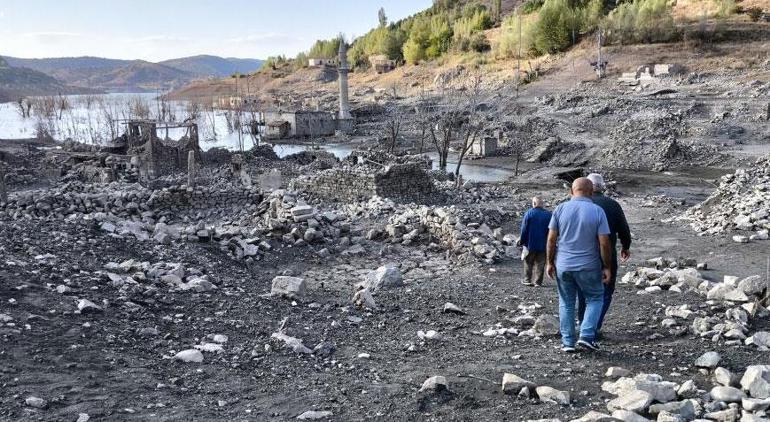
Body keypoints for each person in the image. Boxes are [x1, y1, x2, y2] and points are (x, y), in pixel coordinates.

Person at [546, 177, 612, 353]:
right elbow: (604, 243)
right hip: (589, 265)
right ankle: (586, 336)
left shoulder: (560, 209)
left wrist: (549, 262)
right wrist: (607, 266)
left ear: (571, 191)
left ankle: (567, 343)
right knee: (595, 298)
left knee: (566, 303)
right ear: (591, 192)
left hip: (564, 265)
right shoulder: (597, 211)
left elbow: (551, 239)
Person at [577, 173, 631, 338]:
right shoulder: (613, 205)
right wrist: (625, 246)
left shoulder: (577, 205)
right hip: (606, 256)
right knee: (605, 291)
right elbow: (624, 229)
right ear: (603, 187)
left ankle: (583, 324)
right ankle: (594, 325)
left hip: (582, 255)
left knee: (582, 291)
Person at [518, 197, 552, 286]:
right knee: (541, 263)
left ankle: (527, 280)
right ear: (542, 204)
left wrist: (522, 241)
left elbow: (524, 229)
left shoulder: (529, 213)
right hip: (543, 244)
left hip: (530, 243)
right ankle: (538, 282)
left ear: (534, 203)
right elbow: (551, 230)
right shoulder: (548, 215)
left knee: (528, 262)